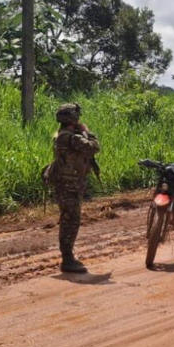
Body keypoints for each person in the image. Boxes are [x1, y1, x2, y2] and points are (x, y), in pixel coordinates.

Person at [50, 103, 101, 273]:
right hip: (69, 186)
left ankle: (68, 257)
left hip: (67, 185)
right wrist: (88, 132)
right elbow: (94, 147)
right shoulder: (71, 137)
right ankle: (67, 260)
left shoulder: (62, 135)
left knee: (69, 219)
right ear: (73, 119)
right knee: (70, 222)